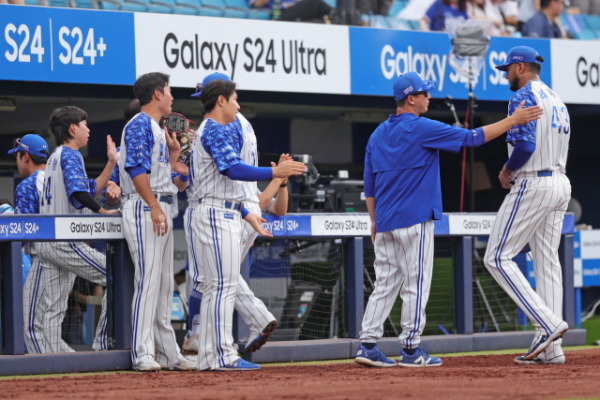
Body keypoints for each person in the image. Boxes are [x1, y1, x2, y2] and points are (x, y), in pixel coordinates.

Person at [354, 71, 543, 368]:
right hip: (414, 220)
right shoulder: (419, 126)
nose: (429, 98)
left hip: (386, 221)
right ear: (411, 98)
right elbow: (472, 138)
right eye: (425, 94)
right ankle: (411, 349)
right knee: (416, 285)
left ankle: (367, 344)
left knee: (385, 284)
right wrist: (512, 121)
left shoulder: (377, 134)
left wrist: (374, 220)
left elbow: (369, 185)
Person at [188, 74, 305, 371]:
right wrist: (275, 173)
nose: (239, 105)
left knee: (221, 286)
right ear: (221, 100)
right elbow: (233, 170)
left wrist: (246, 212)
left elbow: (227, 179)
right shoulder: (214, 128)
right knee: (221, 287)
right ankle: (219, 355)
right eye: (236, 99)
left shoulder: (223, 127)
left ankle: (213, 355)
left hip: (226, 209)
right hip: (214, 213)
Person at [484, 46, 570, 365]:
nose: (505, 74)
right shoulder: (557, 99)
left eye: (508, 68)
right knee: (546, 261)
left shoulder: (523, 96)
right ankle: (552, 349)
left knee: (496, 256)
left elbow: (525, 144)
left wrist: (507, 169)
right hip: (560, 181)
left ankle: (546, 324)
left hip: (533, 181)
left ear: (521, 67)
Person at [118, 72, 197, 372]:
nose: (172, 95)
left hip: (161, 206)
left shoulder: (155, 128)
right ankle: (142, 353)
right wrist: (153, 206)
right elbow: (137, 170)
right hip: (143, 208)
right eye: (168, 90)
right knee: (149, 282)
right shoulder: (139, 124)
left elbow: (173, 185)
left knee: (164, 286)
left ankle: (168, 352)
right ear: (156, 95)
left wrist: (175, 152)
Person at [37, 106, 117, 354]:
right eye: (84, 124)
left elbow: (88, 189)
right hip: (65, 240)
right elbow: (80, 194)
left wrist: (111, 163)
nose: (88, 129)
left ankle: (53, 359)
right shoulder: (71, 155)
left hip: (50, 241)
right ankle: (103, 345)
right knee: (118, 277)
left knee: (54, 309)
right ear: (73, 128)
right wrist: (102, 213)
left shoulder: (55, 155)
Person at [7, 134, 50, 353]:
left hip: (40, 263)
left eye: (18, 156)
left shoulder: (27, 185)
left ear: (25, 157)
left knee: (32, 328)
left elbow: (21, 234)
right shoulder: (58, 179)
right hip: (67, 259)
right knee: (50, 329)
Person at [248, 0, 333, 23]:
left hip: (293, 10)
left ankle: (337, 17)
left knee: (318, 17)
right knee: (315, 3)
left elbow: (298, 2)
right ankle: (339, 17)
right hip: (279, 15)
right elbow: (257, 4)